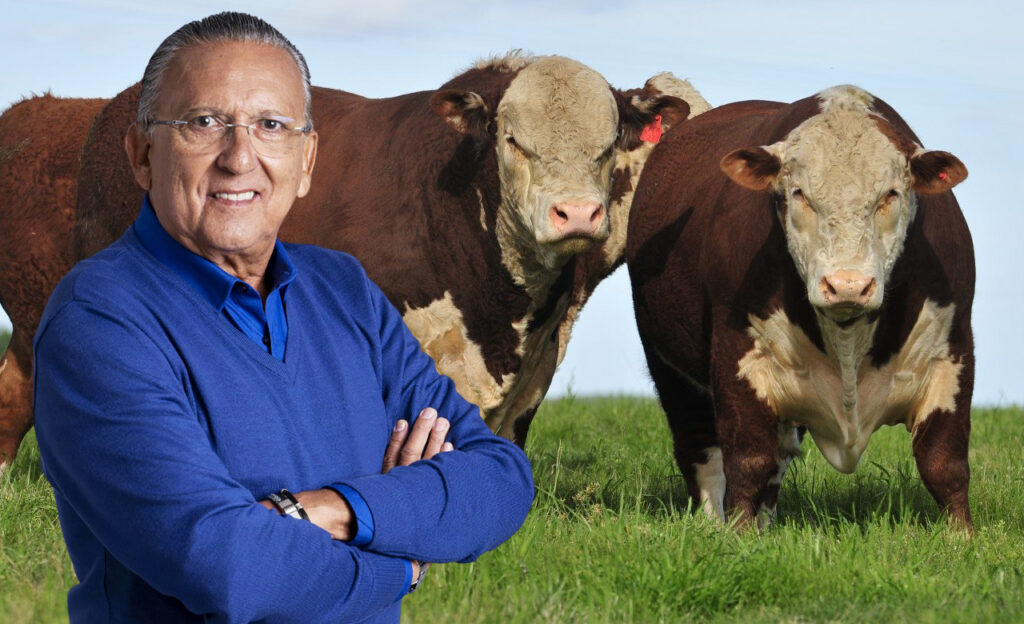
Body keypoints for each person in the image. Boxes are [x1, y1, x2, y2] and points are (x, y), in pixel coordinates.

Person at [33, 12, 534, 623]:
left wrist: (331, 509)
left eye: (271, 125)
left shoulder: (344, 289)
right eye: (204, 122)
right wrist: (400, 560)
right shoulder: (99, 321)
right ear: (142, 154)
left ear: (306, 161)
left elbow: (501, 477)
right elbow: (228, 568)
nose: (239, 156)